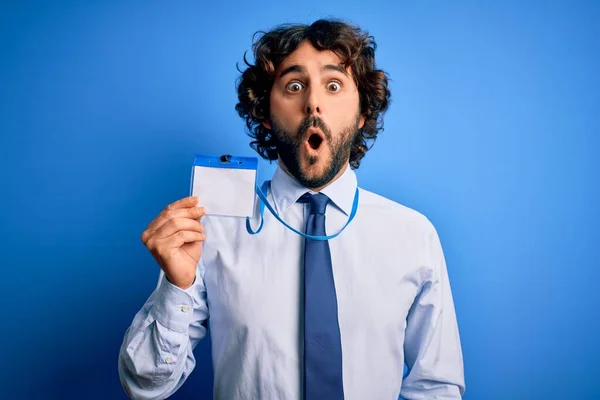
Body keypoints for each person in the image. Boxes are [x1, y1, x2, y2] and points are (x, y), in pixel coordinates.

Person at [118, 19, 465, 400]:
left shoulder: (413, 236)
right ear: (266, 112)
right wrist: (176, 286)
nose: (313, 102)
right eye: (294, 86)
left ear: (362, 112)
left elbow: (437, 388)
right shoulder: (213, 232)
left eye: (334, 86)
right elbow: (145, 385)